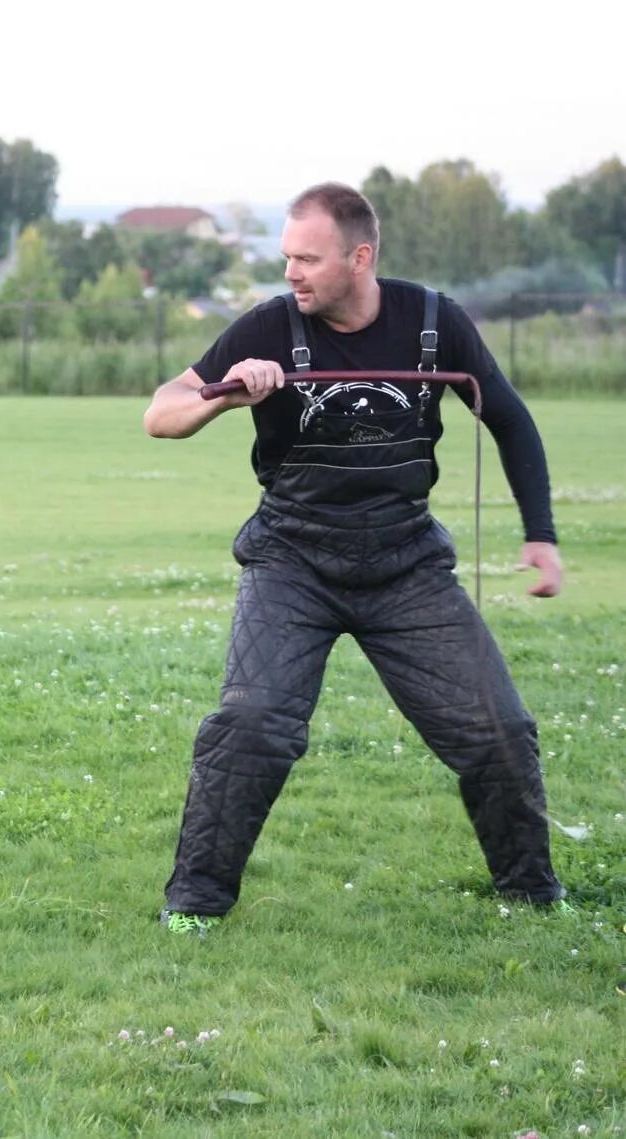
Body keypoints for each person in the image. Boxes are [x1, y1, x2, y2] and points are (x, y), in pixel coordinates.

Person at [143, 182, 565, 934]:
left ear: (359, 256)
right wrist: (225, 395)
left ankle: (531, 896)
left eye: (307, 258)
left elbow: (507, 417)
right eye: (285, 257)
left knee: (497, 727)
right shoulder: (270, 326)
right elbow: (160, 413)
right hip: (290, 562)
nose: (291, 272)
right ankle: (194, 905)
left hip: (405, 564)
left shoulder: (433, 322)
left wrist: (540, 534)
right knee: (253, 723)